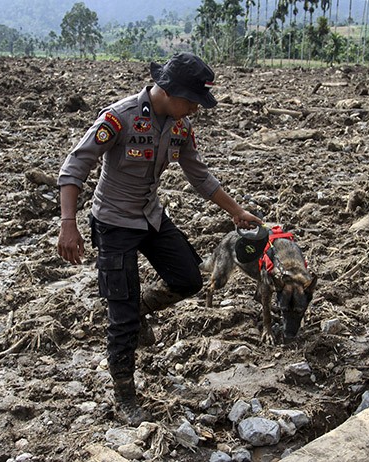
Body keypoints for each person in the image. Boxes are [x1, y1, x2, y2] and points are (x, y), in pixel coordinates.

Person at [56, 53, 261, 426]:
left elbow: (199, 175)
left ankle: (139, 309)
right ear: (168, 91)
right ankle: (124, 394)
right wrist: (68, 224)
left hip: (150, 216)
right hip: (114, 222)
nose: (196, 110)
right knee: (120, 315)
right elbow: (75, 166)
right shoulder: (119, 117)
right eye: (193, 102)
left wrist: (235, 211)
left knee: (189, 278)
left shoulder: (180, 126)